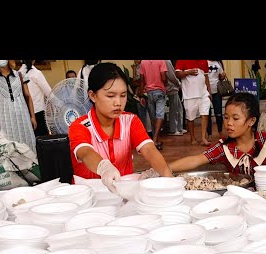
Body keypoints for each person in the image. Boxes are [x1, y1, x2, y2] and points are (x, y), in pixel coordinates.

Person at [68, 62, 173, 193]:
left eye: (123, 95)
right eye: (110, 96)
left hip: (123, 196)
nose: (118, 103)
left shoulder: (130, 121)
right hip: (89, 198)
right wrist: (103, 167)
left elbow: (149, 150)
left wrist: (168, 178)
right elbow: (85, 152)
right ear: (92, 95)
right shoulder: (80, 126)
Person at [168, 92, 266, 175]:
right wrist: (165, 168)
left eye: (235, 118)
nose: (229, 123)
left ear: (251, 121)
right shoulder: (224, 147)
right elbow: (196, 159)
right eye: (226, 117)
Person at [0, 60, 37, 153]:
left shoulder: (20, 75)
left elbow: (28, 96)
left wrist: (32, 117)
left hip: (23, 116)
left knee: (28, 143)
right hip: (4, 118)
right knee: (9, 145)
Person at [175, 60, 212, 146]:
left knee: (205, 113)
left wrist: (209, 91)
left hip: (203, 93)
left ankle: (203, 137)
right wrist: (188, 72)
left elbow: (206, 77)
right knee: (190, 117)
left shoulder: (204, 61)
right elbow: (177, 74)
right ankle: (193, 137)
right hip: (190, 94)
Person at [139, 60, 167, 150]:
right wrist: (165, 85)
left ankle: (157, 140)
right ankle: (155, 139)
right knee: (160, 115)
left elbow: (142, 79)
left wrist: (141, 91)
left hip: (149, 92)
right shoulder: (161, 61)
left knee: (153, 117)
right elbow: (164, 78)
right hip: (159, 90)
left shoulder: (143, 62)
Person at [19, 60, 52, 137]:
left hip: (25, 113)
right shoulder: (36, 73)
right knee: (42, 140)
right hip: (38, 112)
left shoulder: (18, 73)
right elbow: (49, 93)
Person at [206, 60, 226, 139]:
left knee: (219, 113)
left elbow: (221, 77)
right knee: (207, 114)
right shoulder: (204, 62)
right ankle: (209, 134)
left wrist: (223, 75)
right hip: (206, 92)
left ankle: (220, 131)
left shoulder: (218, 63)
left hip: (217, 92)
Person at [164, 60, 184, 135]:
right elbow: (172, 75)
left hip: (171, 87)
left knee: (178, 107)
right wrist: (178, 83)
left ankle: (179, 127)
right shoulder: (167, 61)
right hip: (171, 87)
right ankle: (174, 129)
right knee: (174, 109)